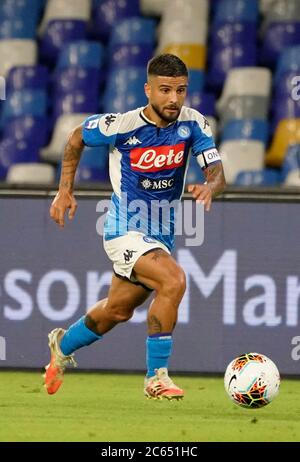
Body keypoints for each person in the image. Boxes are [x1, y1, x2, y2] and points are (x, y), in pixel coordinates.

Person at [44, 53, 226, 400]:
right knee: (174, 280)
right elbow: (75, 138)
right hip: (123, 228)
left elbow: (217, 173)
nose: (174, 99)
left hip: (161, 232)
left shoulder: (194, 124)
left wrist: (210, 185)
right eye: (165, 90)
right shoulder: (123, 125)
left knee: (118, 309)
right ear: (148, 90)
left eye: (181, 90)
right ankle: (156, 378)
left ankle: (61, 344)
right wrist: (64, 190)